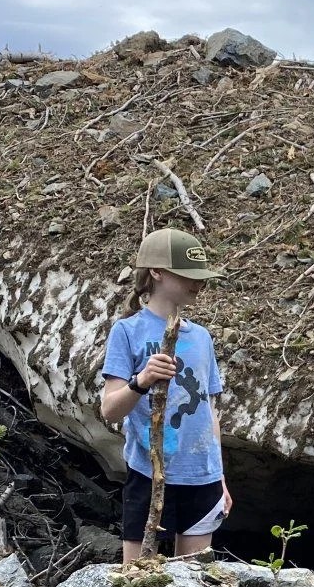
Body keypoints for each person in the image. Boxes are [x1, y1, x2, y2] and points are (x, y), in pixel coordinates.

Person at [100, 228, 233, 562]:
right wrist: (142, 380)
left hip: (202, 476)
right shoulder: (127, 331)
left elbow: (208, 412)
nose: (198, 283)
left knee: (195, 583)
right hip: (149, 473)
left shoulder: (202, 338)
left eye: (201, 276)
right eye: (188, 275)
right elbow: (110, 411)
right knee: (136, 580)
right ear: (156, 272)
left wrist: (220, 478)